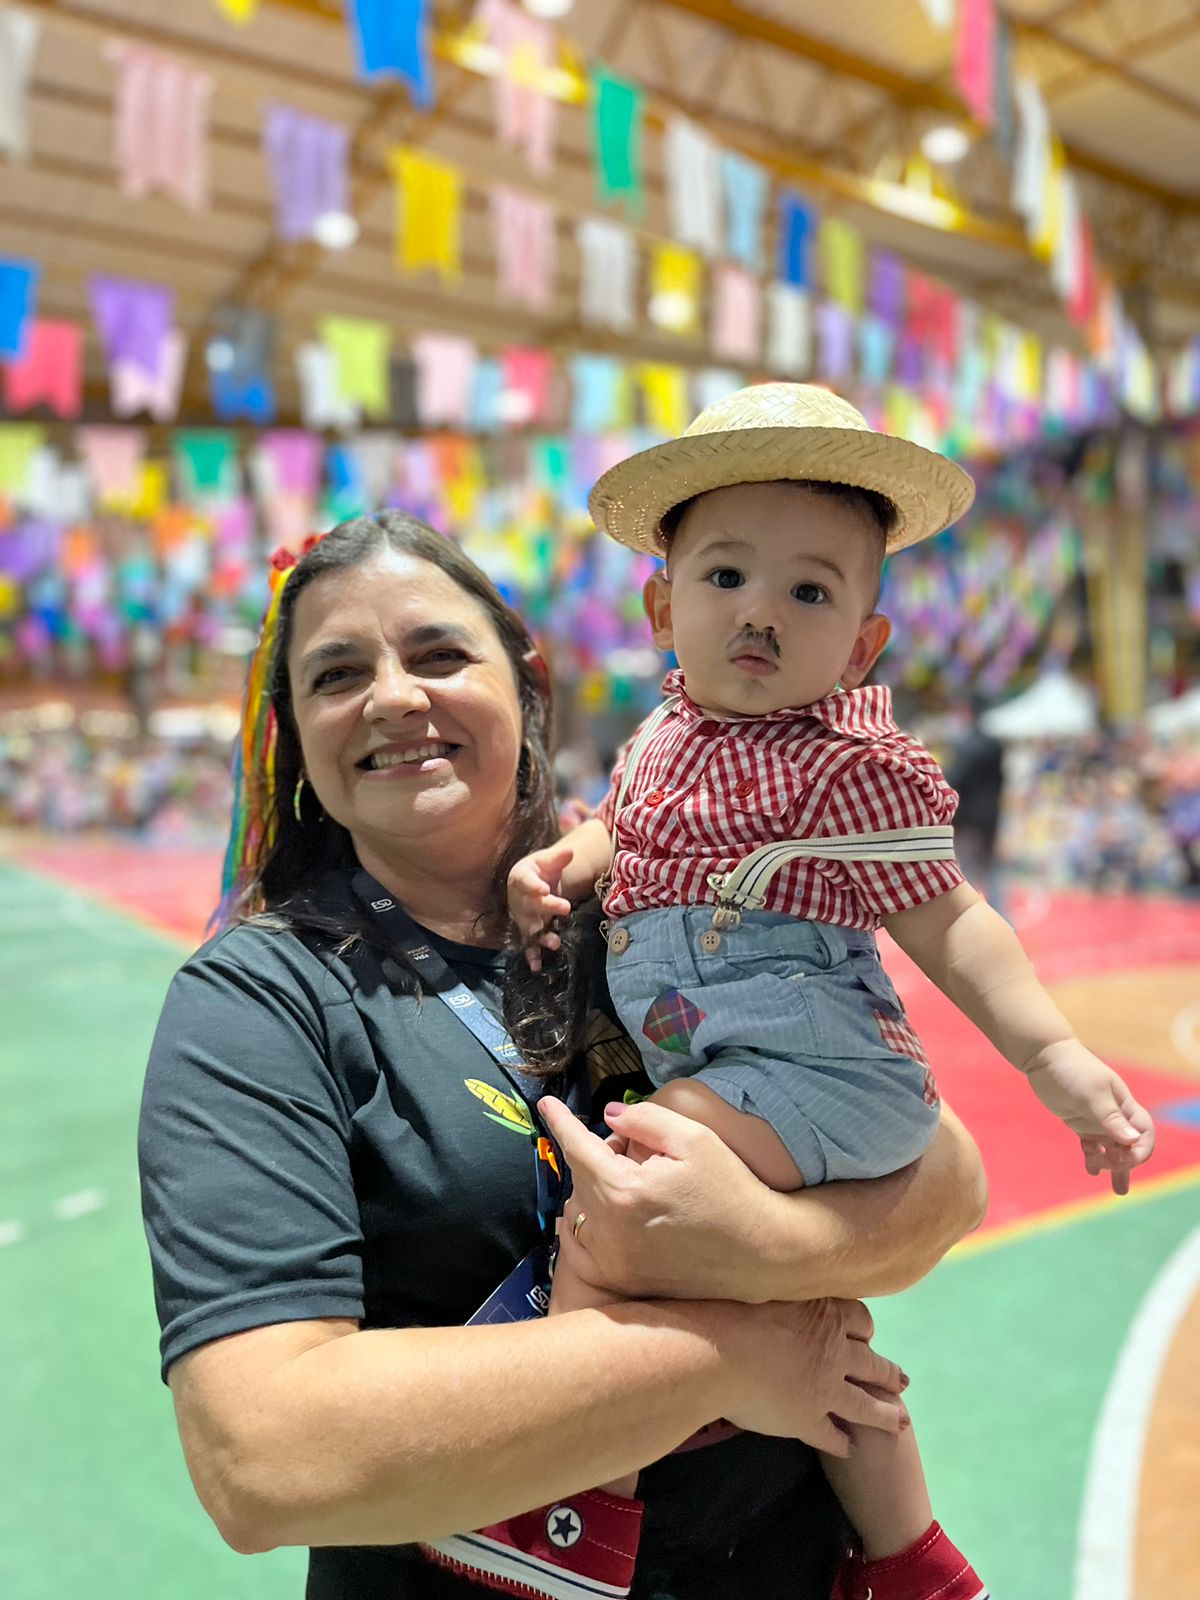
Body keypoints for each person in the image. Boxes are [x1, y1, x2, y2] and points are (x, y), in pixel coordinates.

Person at [137, 510, 988, 1600]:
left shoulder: (665, 891)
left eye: (439, 654)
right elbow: (265, 1459)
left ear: (527, 688)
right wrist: (734, 1360)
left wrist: (764, 1244)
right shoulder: (259, 1000)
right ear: (296, 737)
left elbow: (946, 1174)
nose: (393, 697)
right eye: (337, 674)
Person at [507, 385, 1157, 1600]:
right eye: (726, 576)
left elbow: (952, 919)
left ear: (862, 644)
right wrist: (566, 863)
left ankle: (573, 1506)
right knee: (817, 1327)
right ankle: (910, 1556)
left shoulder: (845, 772)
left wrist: (1054, 1058)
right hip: (740, 1070)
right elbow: (620, 829)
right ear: (663, 606)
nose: (761, 611)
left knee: (623, 1187)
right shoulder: (660, 742)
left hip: (828, 1078)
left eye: (810, 592)